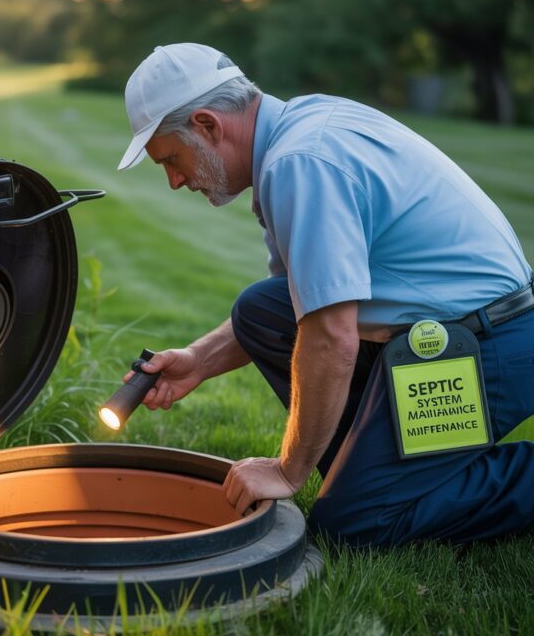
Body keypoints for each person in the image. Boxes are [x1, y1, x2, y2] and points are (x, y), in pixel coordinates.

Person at [117, 42, 534, 547]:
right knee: (259, 310)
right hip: (438, 333)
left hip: (482, 345)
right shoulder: (298, 132)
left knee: (356, 526)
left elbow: (331, 337)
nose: (174, 180)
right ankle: (374, 470)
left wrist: (290, 470)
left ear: (207, 125)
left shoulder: (301, 162)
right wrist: (197, 359)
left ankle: (428, 481)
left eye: (172, 159)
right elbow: (299, 309)